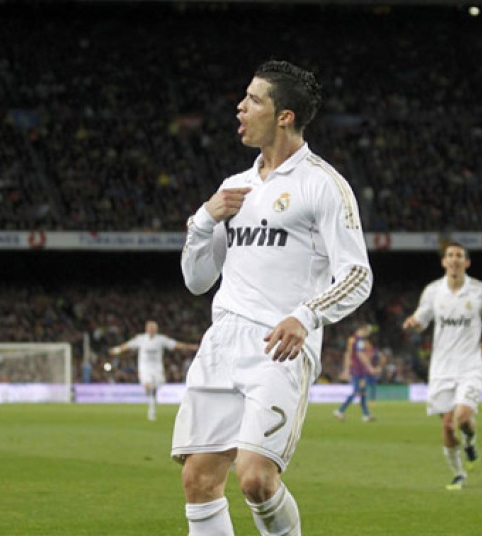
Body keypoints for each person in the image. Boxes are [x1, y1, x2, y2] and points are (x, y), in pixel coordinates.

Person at [173, 60, 372, 535]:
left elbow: (357, 274)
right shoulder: (232, 189)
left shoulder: (323, 184)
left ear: (285, 116)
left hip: (278, 348)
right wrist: (204, 219)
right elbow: (197, 280)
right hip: (223, 341)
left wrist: (305, 316)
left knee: (256, 479)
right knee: (198, 478)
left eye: (254, 99)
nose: (240, 107)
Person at [402, 242, 482, 491]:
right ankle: (459, 473)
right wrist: (414, 322)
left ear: (466, 262)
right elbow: (422, 319)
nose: (454, 259)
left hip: (470, 365)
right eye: (450, 255)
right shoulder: (433, 291)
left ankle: (470, 440)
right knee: (447, 425)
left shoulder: (480, 290)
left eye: (459, 255)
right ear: (444, 262)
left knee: (463, 416)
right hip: (441, 368)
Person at [109, 320, 199, 421]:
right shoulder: (141, 339)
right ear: (146, 329)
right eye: (149, 328)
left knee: (158, 384)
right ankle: (151, 409)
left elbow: (176, 344)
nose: (151, 329)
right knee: (148, 385)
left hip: (157, 367)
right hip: (145, 367)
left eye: (153, 328)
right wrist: (116, 350)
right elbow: (127, 345)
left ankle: (152, 395)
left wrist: (191, 347)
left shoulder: (161, 339)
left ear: (156, 329)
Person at [334, 324, 380, 422]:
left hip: (358, 370)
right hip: (359, 370)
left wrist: (346, 369)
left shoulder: (352, 339)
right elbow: (360, 354)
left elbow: (348, 354)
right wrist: (370, 367)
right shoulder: (359, 340)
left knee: (362, 392)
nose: (368, 334)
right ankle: (340, 411)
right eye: (367, 331)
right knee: (357, 391)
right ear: (362, 329)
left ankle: (366, 415)